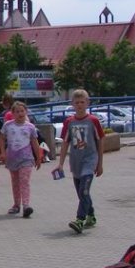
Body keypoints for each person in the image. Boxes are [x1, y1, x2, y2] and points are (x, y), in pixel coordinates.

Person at [55, 89, 105, 234]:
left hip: (90, 161)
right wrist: (60, 163)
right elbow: (65, 143)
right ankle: (91, 215)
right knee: (82, 193)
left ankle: (79, 219)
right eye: (77, 103)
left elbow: (100, 140)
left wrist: (100, 163)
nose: (79, 105)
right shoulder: (69, 122)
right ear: (72, 104)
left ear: (87, 103)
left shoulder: (93, 121)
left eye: (82, 102)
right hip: (76, 161)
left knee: (84, 190)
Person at [0, 101, 43, 218]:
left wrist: (38, 157)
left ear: (26, 112)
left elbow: (35, 142)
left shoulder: (30, 127)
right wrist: (2, 152)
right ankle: (16, 205)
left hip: (26, 158)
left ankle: (26, 206)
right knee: (15, 182)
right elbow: (1, 139)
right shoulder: (8, 125)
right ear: (12, 114)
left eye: (22, 111)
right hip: (12, 157)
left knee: (24, 181)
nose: (20, 113)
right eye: (17, 111)